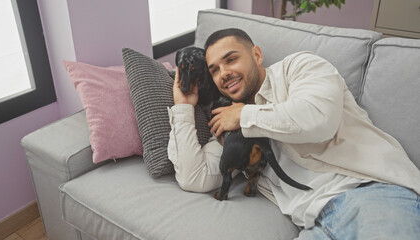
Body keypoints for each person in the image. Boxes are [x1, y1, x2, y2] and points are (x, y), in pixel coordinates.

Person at [167, 28, 420, 239]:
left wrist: (245, 116)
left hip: (371, 195)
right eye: (214, 70)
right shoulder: (228, 122)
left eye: (231, 59)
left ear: (256, 55)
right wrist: (183, 107)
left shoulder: (300, 67)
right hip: (314, 223)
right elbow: (194, 177)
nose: (223, 74)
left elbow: (318, 120)